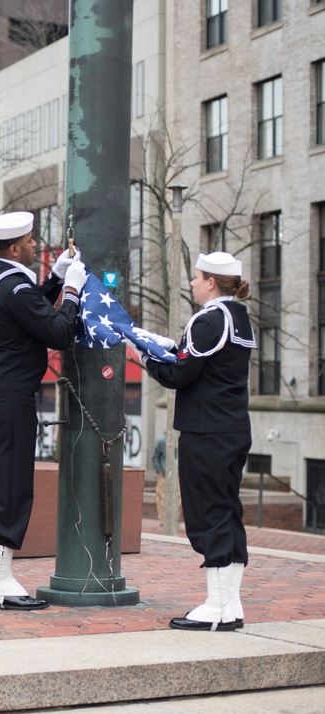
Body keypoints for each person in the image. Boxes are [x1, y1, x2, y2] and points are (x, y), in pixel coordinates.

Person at [0, 211, 86, 611]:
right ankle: (1, 584)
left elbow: (28, 309)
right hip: (10, 393)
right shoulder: (16, 286)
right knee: (13, 487)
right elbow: (57, 331)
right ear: (15, 248)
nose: (38, 246)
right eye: (32, 242)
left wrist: (53, 279)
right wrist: (70, 291)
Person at [138, 251, 254, 631]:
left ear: (210, 282)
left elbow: (181, 373)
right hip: (232, 428)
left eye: (196, 276)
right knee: (227, 513)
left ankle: (216, 608)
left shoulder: (209, 317)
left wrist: (144, 355)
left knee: (208, 516)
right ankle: (230, 605)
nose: (191, 282)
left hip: (206, 431)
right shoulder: (238, 315)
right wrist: (164, 345)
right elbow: (202, 363)